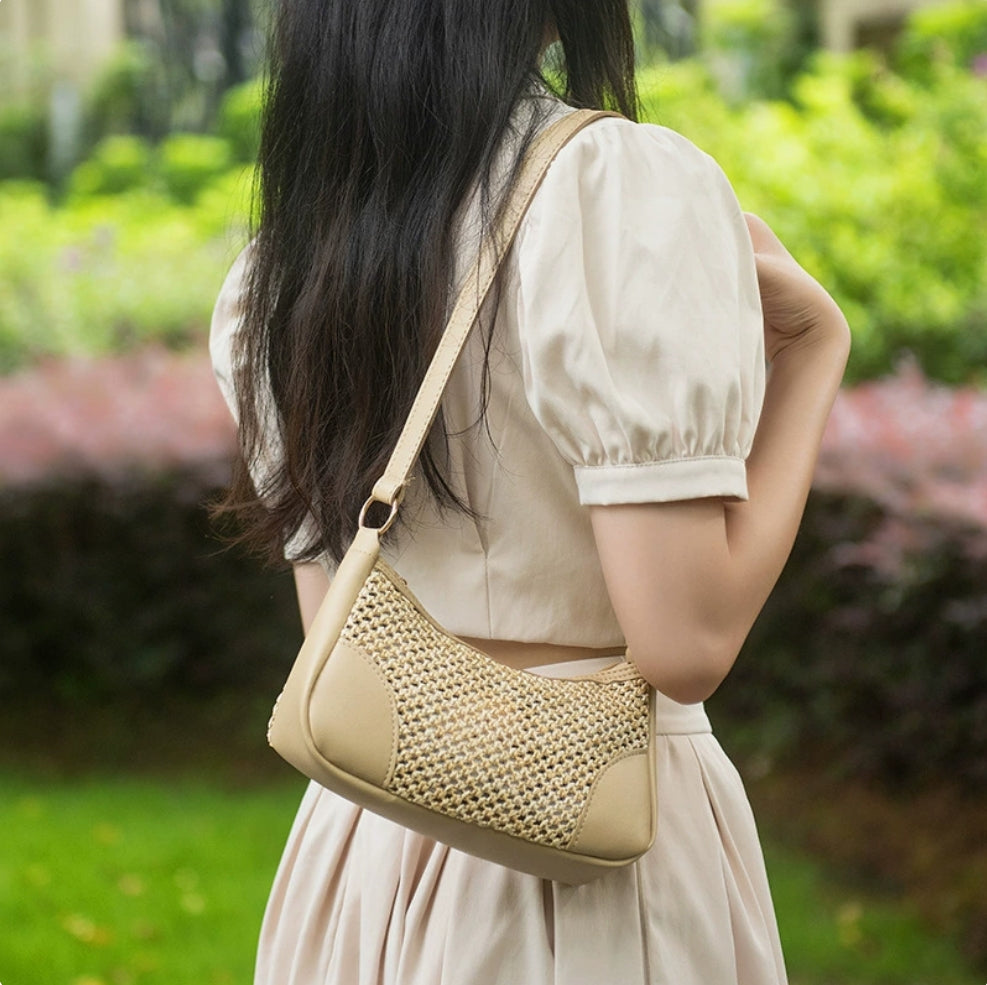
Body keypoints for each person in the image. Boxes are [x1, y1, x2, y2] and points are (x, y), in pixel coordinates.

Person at [210, 1, 850, 982]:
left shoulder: (288, 264)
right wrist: (813, 356)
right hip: (585, 843)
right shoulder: (611, 188)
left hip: (366, 839)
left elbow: (333, 628)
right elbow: (685, 643)